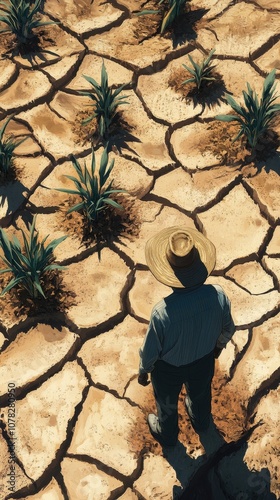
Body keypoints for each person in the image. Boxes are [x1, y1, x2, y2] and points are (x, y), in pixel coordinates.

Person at [138, 226, 236, 448]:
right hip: (203, 360)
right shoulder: (218, 296)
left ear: (170, 274)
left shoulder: (162, 312)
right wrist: (217, 348)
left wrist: (144, 371)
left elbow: (150, 351)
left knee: (167, 403)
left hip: (168, 370)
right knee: (201, 394)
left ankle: (167, 433)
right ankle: (201, 423)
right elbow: (228, 328)